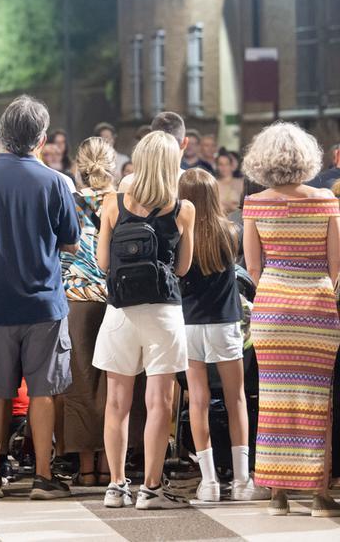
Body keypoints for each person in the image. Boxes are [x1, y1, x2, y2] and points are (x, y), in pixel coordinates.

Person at [0, 97, 79, 500]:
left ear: (2, 134)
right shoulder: (55, 182)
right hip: (44, 302)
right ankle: (43, 477)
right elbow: (72, 243)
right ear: (41, 139)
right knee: (43, 391)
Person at [241, 122, 340, 518]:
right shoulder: (326, 201)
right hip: (316, 309)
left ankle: (278, 494)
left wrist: (277, 289)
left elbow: (253, 269)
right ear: (306, 158)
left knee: (273, 402)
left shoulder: (255, 205)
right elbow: (336, 269)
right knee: (318, 403)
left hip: (273, 310)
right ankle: (318, 495)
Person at [93, 131, 195, 511]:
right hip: (163, 313)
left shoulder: (113, 203)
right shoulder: (183, 209)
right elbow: (183, 267)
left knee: (117, 402)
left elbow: (103, 263)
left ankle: (116, 485)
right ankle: (150, 489)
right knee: (159, 403)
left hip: (120, 311)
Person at [177, 168, 266, 503]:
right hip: (225, 323)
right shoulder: (230, 230)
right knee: (236, 399)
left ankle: (209, 482)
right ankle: (243, 480)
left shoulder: (178, 232)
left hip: (188, 324)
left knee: (197, 401)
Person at [59, 137, 115, 488]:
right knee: (114, 384)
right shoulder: (124, 202)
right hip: (115, 300)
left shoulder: (68, 202)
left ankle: (86, 468)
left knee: (78, 384)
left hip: (74, 298)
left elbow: (61, 250)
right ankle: (110, 465)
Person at [215, 150, 244, 218]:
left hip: (238, 222)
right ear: (217, 166)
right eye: (221, 164)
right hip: (220, 221)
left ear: (231, 166)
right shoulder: (214, 184)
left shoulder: (241, 183)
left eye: (226, 164)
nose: (224, 167)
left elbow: (245, 206)